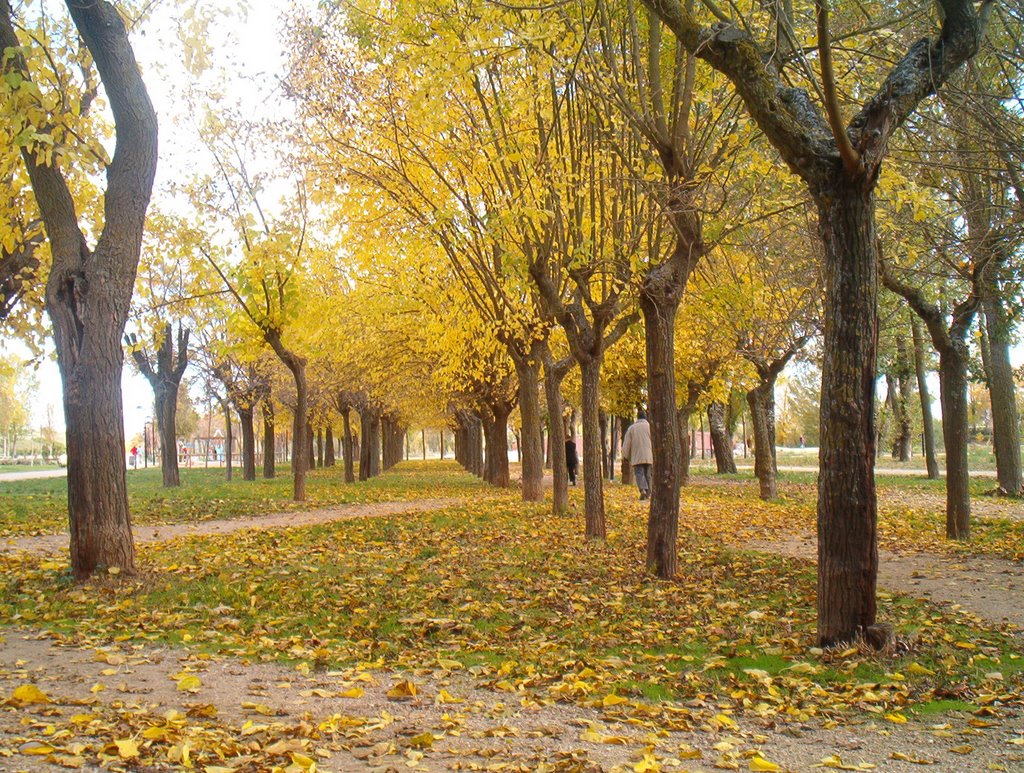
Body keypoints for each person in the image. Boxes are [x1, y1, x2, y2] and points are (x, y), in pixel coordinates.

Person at [621, 409, 653, 500]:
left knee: (639, 473)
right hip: (648, 455)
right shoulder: (650, 427)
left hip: (637, 455)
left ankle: (642, 489)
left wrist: (625, 455)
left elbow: (627, 443)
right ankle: (649, 492)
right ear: (645, 417)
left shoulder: (632, 428)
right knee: (648, 474)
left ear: (637, 417)